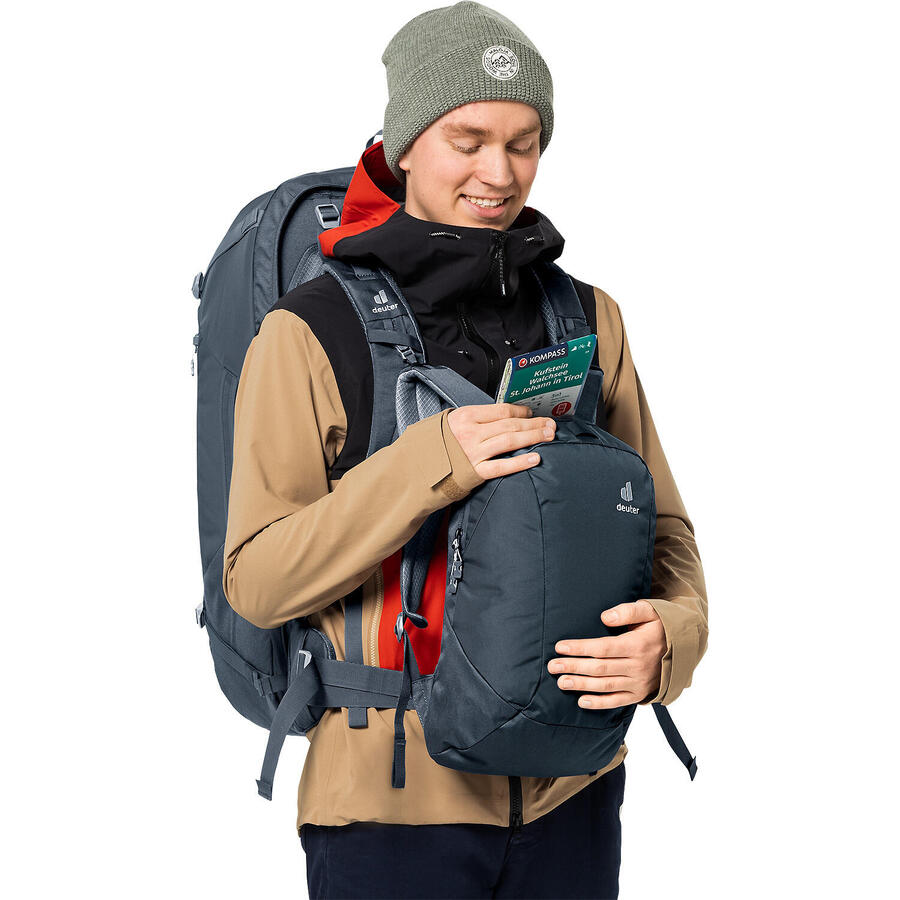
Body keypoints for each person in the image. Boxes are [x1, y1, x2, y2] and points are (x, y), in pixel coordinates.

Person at [222, 2, 708, 897]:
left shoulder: (587, 316)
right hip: (388, 815)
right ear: (405, 145)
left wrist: (673, 640)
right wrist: (430, 463)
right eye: (468, 139)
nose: (500, 172)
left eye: (525, 143)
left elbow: (663, 530)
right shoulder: (309, 331)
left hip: (575, 791)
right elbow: (255, 577)